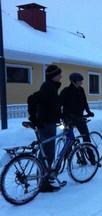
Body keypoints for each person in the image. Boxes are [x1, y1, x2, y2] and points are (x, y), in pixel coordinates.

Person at [28, 64, 62, 192]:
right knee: (48, 153)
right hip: (46, 124)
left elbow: (51, 105)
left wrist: (62, 115)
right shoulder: (48, 87)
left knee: (46, 152)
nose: (61, 76)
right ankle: (43, 182)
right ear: (54, 76)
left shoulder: (52, 87)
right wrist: (33, 117)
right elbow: (32, 99)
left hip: (49, 122)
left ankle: (44, 178)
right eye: (59, 74)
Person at [59, 73, 97, 164]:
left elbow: (84, 102)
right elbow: (58, 104)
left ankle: (92, 159)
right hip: (68, 119)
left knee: (86, 138)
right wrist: (62, 116)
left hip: (79, 118)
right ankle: (68, 161)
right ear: (74, 81)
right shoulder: (66, 91)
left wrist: (88, 111)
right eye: (80, 81)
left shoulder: (81, 90)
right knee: (69, 141)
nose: (82, 82)